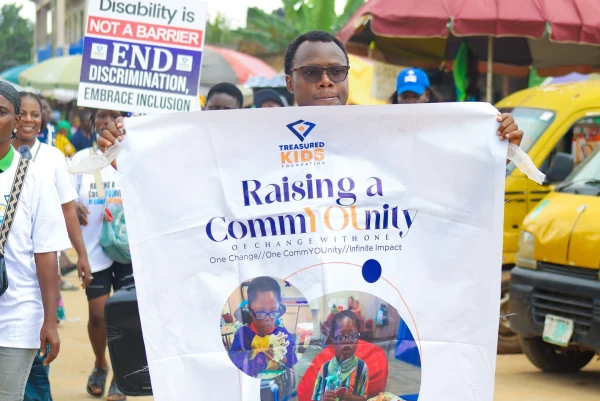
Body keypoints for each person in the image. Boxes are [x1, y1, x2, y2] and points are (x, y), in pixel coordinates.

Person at [98, 30, 523, 155]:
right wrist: (130, 150)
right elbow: (188, 173)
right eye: (312, 72)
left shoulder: (382, 133)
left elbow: (440, 176)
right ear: (290, 82)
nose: (325, 81)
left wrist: (492, 146)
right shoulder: (252, 136)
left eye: (336, 71)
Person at [0, 82, 70, 400]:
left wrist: (50, 322)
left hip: (16, 318)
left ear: (16, 121)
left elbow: (46, 253)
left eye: (2, 112)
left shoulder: (34, 177)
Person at [71, 109, 131, 401]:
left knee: (125, 317)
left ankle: (121, 377)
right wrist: (72, 205)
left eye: (114, 115)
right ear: (92, 120)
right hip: (93, 250)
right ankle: (100, 364)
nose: (108, 120)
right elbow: (64, 201)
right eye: (102, 114)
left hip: (129, 251)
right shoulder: (80, 159)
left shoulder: (133, 154)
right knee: (97, 315)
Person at [227, 276, 297, 378]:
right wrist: (264, 358)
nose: (267, 319)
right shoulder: (243, 335)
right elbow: (237, 367)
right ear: (250, 311)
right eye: (260, 312)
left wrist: (282, 355)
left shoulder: (282, 334)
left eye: (274, 311)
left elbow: (293, 362)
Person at [312, 310, 368, 401]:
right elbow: (315, 398)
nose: (347, 341)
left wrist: (352, 398)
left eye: (352, 336)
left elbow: (364, 398)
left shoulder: (362, 368)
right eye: (340, 337)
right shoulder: (325, 369)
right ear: (332, 341)